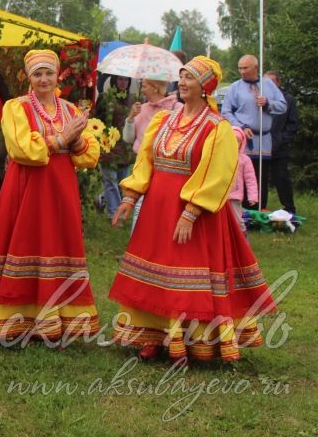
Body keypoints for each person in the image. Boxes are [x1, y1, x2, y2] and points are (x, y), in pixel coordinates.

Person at [110, 56, 276, 363]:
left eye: (190, 79)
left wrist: (191, 211)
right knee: (155, 271)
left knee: (184, 275)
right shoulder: (164, 120)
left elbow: (219, 173)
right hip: (156, 209)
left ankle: (190, 339)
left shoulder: (218, 128)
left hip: (193, 212)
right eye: (182, 77)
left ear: (205, 87)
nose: (183, 83)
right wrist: (130, 196)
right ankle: (153, 335)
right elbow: (146, 160)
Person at [0, 50, 100, 344]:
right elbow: (21, 149)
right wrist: (62, 139)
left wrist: (75, 142)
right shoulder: (16, 108)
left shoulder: (71, 110)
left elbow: (89, 154)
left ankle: (55, 318)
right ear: (29, 77)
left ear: (57, 74)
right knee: (23, 239)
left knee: (56, 241)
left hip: (60, 185)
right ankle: (12, 317)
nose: (44, 79)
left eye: (49, 73)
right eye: (37, 74)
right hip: (26, 185)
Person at [221, 55, 286, 209]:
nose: (242, 71)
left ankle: (260, 206)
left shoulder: (269, 85)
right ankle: (241, 207)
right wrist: (241, 127)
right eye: (240, 68)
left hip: (263, 138)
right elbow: (226, 112)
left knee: (261, 173)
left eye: (246, 68)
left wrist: (268, 103)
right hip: (242, 138)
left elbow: (283, 105)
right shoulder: (235, 87)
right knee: (241, 172)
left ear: (256, 68)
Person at [121, 78, 180, 231]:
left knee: (162, 210)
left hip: (166, 168)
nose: (141, 89)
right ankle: (135, 248)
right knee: (139, 207)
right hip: (143, 166)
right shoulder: (142, 109)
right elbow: (128, 138)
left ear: (155, 87)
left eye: (144, 86)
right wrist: (131, 118)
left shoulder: (177, 108)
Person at [95, 75, 136, 216]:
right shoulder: (105, 98)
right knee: (111, 182)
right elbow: (97, 121)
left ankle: (102, 199)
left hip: (125, 148)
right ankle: (114, 214)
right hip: (109, 145)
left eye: (126, 80)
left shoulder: (134, 100)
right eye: (119, 79)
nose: (123, 82)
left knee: (121, 183)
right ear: (113, 81)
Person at [263, 70, 297, 214]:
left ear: (278, 83)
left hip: (279, 147)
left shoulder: (288, 100)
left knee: (282, 178)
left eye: (271, 82)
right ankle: (259, 207)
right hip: (261, 146)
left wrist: (281, 140)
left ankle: (289, 209)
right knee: (260, 179)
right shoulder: (260, 99)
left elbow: (292, 125)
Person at [227, 127, 259, 234]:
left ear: (242, 143)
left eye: (238, 141)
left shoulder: (245, 160)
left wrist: (253, 196)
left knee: (237, 221)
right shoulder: (220, 157)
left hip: (235, 196)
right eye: (232, 140)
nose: (235, 143)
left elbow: (251, 180)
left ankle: (243, 238)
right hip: (219, 197)